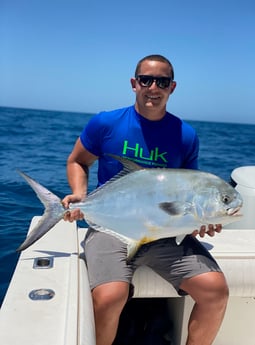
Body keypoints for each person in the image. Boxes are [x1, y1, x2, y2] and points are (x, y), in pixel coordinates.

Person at [62, 54, 229, 345]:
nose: (154, 87)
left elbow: (190, 192)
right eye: (146, 80)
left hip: (164, 234)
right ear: (134, 83)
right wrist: (80, 196)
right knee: (110, 296)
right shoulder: (106, 123)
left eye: (162, 81)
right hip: (111, 228)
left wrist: (202, 220)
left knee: (215, 290)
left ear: (172, 87)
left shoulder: (185, 135)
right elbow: (77, 161)